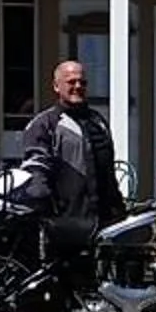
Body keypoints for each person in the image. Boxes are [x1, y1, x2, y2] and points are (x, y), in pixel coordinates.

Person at [19, 59, 124, 226]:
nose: (78, 86)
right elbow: (36, 170)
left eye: (82, 82)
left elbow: (108, 172)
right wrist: (45, 211)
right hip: (66, 222)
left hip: (106, 219)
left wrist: (119, 210)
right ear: (56, 86)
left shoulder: (98, 121)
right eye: (71, 82)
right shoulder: (44, 124)